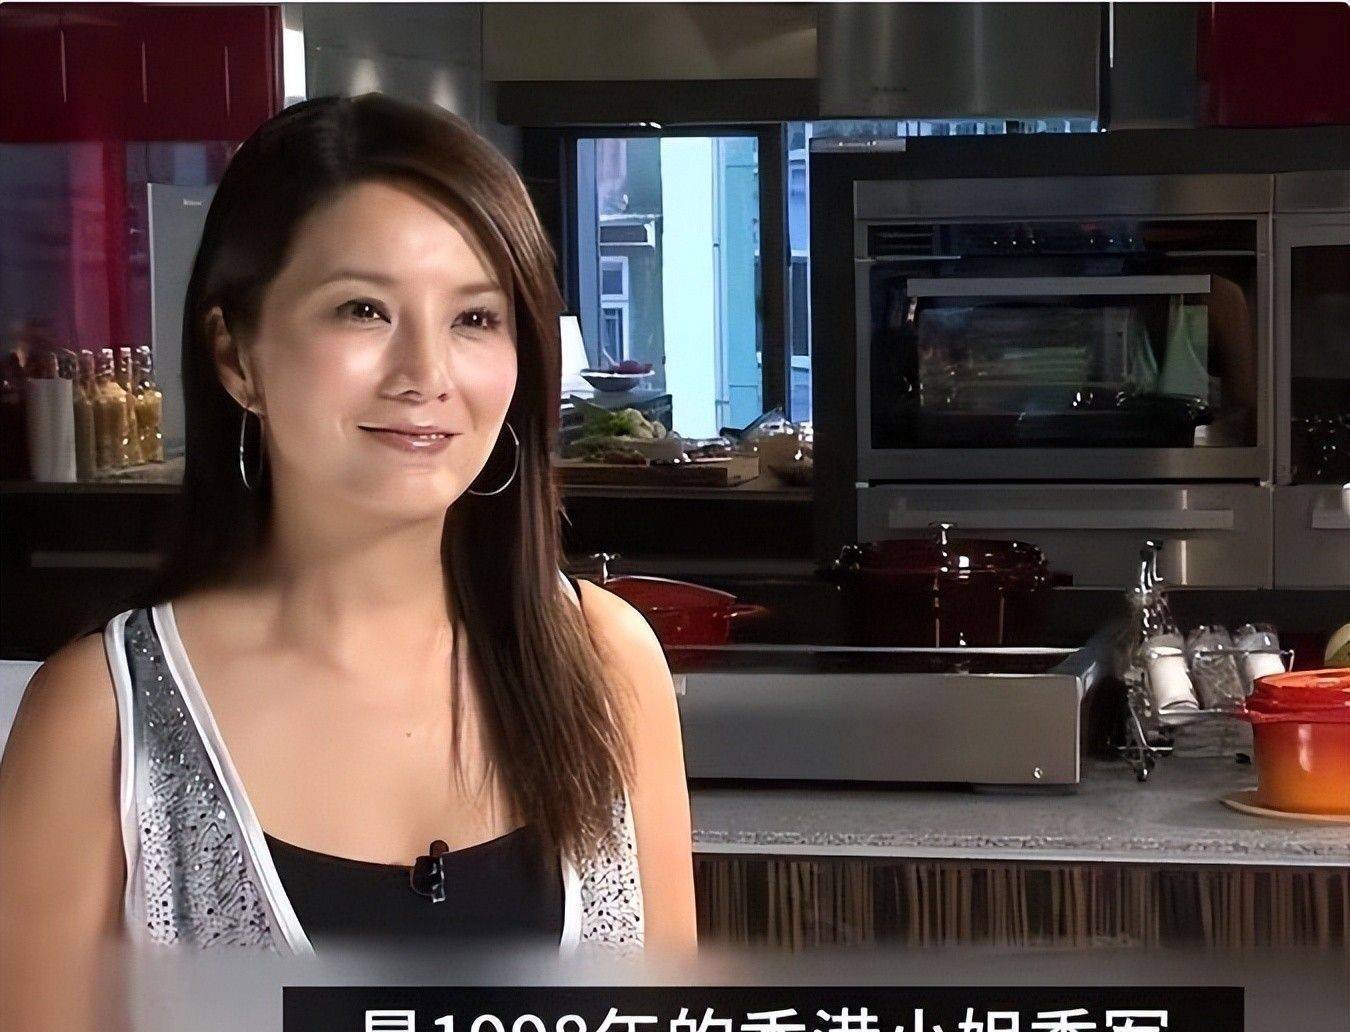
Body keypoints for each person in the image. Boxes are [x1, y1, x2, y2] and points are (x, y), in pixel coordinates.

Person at [0, 93, 696, 1029]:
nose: (426, 375)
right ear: (236, 357)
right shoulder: (103, 720)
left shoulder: (608, 665)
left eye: (475, 318)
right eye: (363, 310)